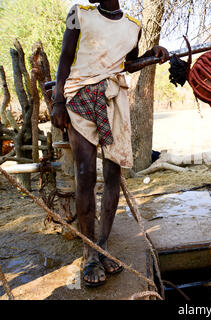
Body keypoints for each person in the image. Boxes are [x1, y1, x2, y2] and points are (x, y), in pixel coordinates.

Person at [51, 0, 169, 287]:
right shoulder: (78, 14)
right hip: (79, 97)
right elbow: (65, 59)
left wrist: (152, 55)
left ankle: (102, 246)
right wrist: (58, 101)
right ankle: (88, 251)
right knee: (85, 175)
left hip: (113, 99)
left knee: (113, 173)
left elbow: (127, 64)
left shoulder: (134, 27)